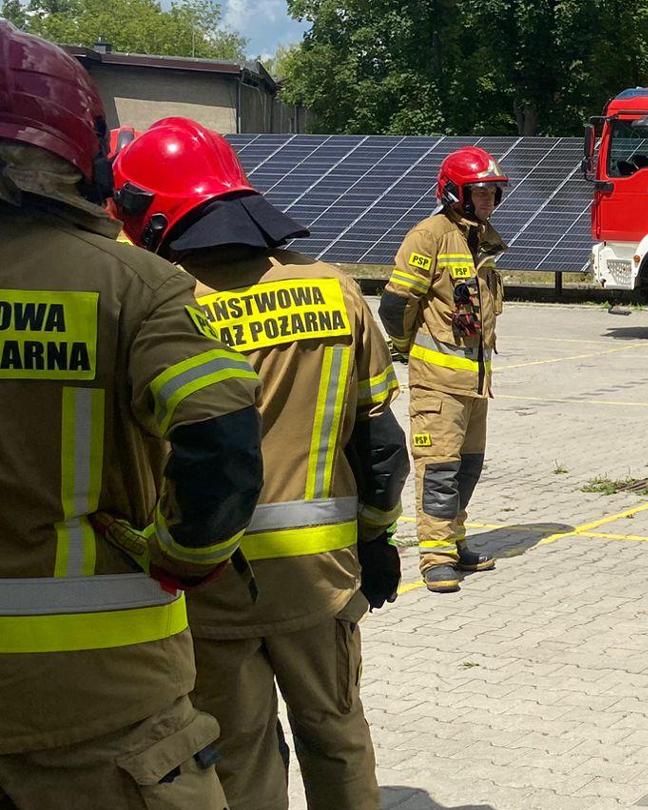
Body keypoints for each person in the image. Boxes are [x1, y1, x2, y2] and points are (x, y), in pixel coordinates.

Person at [0, 22, 263, 808]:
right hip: (100, 700)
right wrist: (185, 556)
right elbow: (220, 433)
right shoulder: (134, 285)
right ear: (79, 152)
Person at [111, 117, 409, 810]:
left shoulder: (163, 304)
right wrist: (377, 537)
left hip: (209, 583)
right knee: (338, 738)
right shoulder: (334, 289)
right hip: (321, 580)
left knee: (237, 759)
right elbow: (381, 445)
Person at [380, 146, 508, 593]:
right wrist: (403, 349)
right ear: (456, 193)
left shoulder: (481, 238)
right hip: (437, 385)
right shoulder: (429, 235)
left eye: (493, 192)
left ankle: (454, 541)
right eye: (480, 192)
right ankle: (435, 557)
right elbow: (395, 304)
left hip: (475, 384)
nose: (489, 200)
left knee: (467, 468)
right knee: (439, 470)